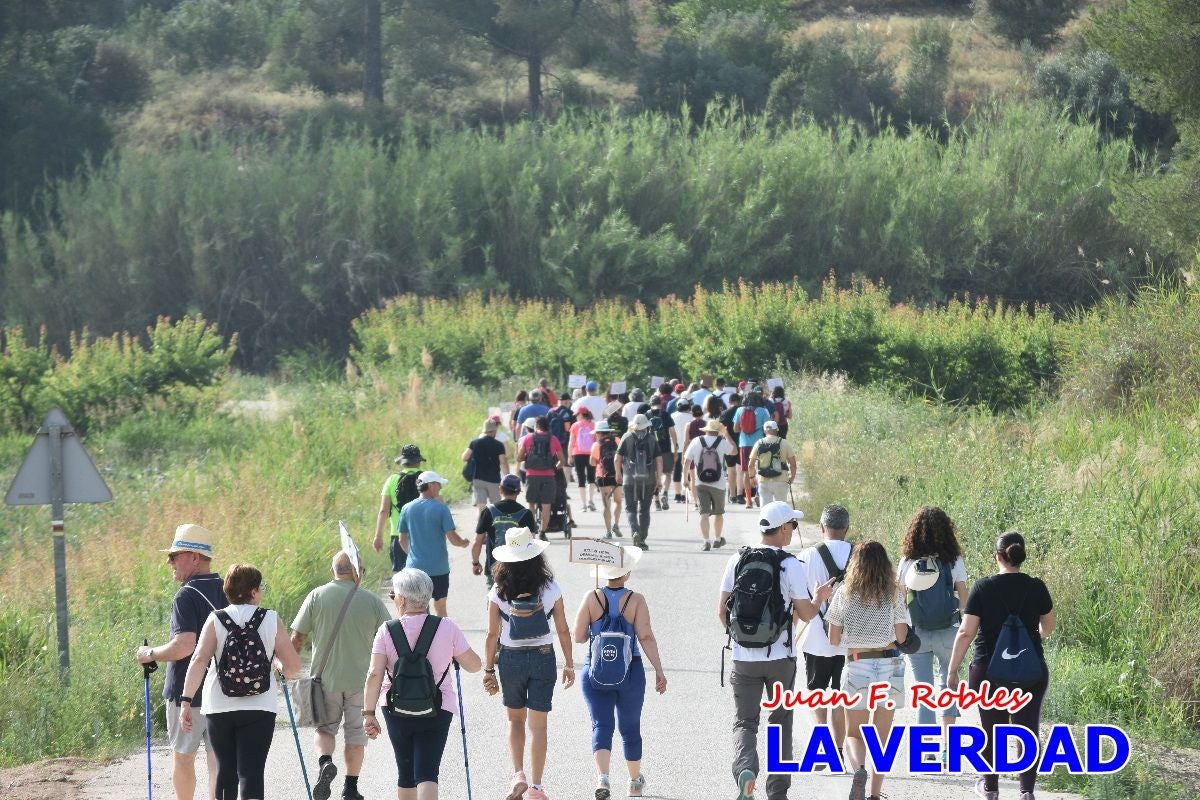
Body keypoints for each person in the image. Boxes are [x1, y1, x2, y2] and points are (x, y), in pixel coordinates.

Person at [718, 501, 830, 800]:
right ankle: (777, 793)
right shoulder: (790, 565)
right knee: (781, 722)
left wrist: (744, 637)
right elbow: (806, 614)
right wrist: (819, 598)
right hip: (781, 659)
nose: (793, 531)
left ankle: (746, 770)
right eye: (792, 526)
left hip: (743, 660)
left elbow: (721, 611)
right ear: (782, 528)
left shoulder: (737, 559)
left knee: (745, 722)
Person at [178, 564, 302, 800]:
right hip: (260, 707)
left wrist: (186, 700)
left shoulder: (216, 619)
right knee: (251, 773)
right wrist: (278, 667)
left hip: (219, 706)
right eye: (261, 588)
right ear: (254, 592)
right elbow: (293, 666)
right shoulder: (271, 618)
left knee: (226, 771)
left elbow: (199, 659)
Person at [946, 531, 1055, 800]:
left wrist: (952, 670)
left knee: (990, 731)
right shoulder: (1036, 586)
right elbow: (1048, 627)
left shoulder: (983, 587)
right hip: (1031, 672)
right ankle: (1026, 792)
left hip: (988, 672)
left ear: (997, 556)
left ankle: (991, 789)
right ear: (1020, 556)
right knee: (1027, 730)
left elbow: (966, 632)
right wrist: (1028, 640)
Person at [363, 568, 483, 800]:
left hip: (396, 708)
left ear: (403, 598)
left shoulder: (387, 631)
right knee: (428, 772)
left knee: (406, 773)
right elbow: (473, 665)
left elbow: (374, 674)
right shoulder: (447, 627)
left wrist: (369, 713)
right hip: (437, 707)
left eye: (394, 594)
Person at [289, 552, 393, 800]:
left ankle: (325, 763)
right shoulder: (372, 601)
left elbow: (297, 638)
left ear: (332, 570)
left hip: (325, 680)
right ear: (357, 571)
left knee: (325, 730)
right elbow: (389, 640)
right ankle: (351, 788)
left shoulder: (316, 596)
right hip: (362, 681)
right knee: (356, 735)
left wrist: (287, 666)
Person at [136, 524, 229, 800]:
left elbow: (184, 645)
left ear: (195, 558)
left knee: (184, 758)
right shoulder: (228, 589)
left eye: (175, 555)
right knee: (218, 762)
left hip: (186, 694)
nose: (169, 562)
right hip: (223, 691)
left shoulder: (186, 595)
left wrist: (150, 654)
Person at [483, 528, 576, 800]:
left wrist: (489, 669)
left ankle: (518, 774)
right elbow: (562, 629)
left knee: (514, 720)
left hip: (510, 659)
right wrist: (569, 663)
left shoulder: (498, 591)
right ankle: (536, 787)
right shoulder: (550, 588)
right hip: (543, 656)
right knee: (539, 725)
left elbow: (492, 635)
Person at [572, 547, 668, 800]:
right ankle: (634, 782)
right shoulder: (635, 600)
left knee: (601, 725)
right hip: (631, 671)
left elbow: (578, 636)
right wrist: (659, 670)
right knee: (630, 727)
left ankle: (603, 778)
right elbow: (645, 635)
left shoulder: (591, 597)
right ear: (627, 573)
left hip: (596, 670)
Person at [825, 541, 910, 800]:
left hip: (858, 664)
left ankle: (859, 771)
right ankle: (874, 794)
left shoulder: (844, 592)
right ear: (885, 564)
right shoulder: (894, 592)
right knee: (881, 740)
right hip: (889, 664)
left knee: (853, 734)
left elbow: (833, 639)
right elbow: (901, 635)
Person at [896, 506, 969, 761]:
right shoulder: (953, 560)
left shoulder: (907, 561)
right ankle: (949, 748)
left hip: (917, 634)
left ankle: (926, 753)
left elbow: (899, 599)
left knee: (923, 689)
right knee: (948, 685)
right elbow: (963, 599)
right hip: (949, 631)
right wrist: (959, 621)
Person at [797, 505, 853, 767]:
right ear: (847, 529)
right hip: (851, 640)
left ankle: (823, 748)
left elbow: (796, 598)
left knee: (817, 693)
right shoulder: (859, 555)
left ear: (821, 527)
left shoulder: (806, 555)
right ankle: (839, 750)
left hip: (817, 639)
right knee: (840, 695)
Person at [396, 471, 471, 618]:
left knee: (417, 609)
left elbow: (401, 539)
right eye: (438, 485)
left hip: (415, 569)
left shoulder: (407, 508)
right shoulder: (441, 508)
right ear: (430, 485)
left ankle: (422, 638)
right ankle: (442, 637)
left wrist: (412, 556)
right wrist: (464, 543)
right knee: (440, 608)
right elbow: (453, 539)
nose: (440, 488)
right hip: (439, 569)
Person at [474, 473, 539, 587]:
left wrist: (475, 562)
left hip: (494, 567)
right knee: (517, 603)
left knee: (494, 601)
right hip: (519, 568)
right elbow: (532, 542)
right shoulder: (526, 513)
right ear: (518, 492)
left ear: (500, 489)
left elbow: (478, 541)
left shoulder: (488, 511)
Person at [683, 419, 735, 551]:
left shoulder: (696, 441)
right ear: (717, 431)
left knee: (704, 513)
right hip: (719, 484)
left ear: (706, 430)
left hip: (700, 482)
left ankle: (706, 541)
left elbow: (687, 461)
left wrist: (686, 479)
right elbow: (734, 451)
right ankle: (717, 540)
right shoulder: (721, 442)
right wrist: (726, 434)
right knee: (718, 513)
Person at [374, 445, 426, 572]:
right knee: (425, 576)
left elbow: (384, 510)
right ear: (419, 462)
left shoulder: (392, 480)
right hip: (423, 534)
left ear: (403, 463)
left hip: (398, 536)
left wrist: (378, 536)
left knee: (401, 580)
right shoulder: (427, 478)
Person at [614, 414, 662, 551]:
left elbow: (617, 458)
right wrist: (659, 479)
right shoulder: (652, 439)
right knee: (645, 510)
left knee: (631, 509)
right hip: (648, 480)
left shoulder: (627, 437)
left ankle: (635, 532)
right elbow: (659, 460)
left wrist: (618, 473)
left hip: (630, 479)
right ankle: (642, 537)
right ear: (647, 426)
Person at [518, 415, 566, 538]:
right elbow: (562, 461)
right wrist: (554, 468)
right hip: (549, 476)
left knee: (531, 504)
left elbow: (519, 458)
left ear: (536, 426)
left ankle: (531, 530)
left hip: (531, 475)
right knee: (546, 505)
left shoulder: (528, 438)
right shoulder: (553, 439)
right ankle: (543, 532)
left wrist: (528, 458)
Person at [732, 387, 771, 508]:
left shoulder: (739, 410)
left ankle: (748, 500)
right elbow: (768, 430)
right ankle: (758, 494)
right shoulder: (763, 411)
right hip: (759, 443)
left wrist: (745, 428)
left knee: (745, 472)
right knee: (760, 470)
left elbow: (735, 429)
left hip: (744, 444)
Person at [745, 420, 798, 506]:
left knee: (765, 510)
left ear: (765, 430)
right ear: (777, 429)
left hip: (763, 480)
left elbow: (751, 464)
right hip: (781, 480)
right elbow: (793, 464)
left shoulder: (759, 443)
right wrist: (792, 477)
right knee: (781, 509)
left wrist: (752, 477)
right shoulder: (784, 443)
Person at [463, 419, 510, 511]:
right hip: (493, 479)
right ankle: (494, 525)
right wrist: (507, 477)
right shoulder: (498, 445)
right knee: (496, 507)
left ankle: (481, 524)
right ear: (494, 431)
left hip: (478, 479)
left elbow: (465, 457)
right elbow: (503, 462)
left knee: (481, 507)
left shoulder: (474, 443)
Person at [590, 420, 624, 538]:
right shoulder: (617, 440)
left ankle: (608, 532)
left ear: (599, 433)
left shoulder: (596, 445)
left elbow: (592, 462)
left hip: (603, 476)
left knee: (606, 505)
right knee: (618, 501)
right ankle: (616, 524)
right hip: (617, 474)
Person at [647, 395, 676, 510]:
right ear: (661, 403)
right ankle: (665, 492)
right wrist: (675, 445)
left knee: (654, 475)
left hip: (651, 449)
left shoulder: (646, 415)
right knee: (667, 473)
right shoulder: (665, 414)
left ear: (650, 403)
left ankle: (657, 501)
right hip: (665, 448)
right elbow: (672, 431)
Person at [567, 408, 598, 512]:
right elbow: (596, 441)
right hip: (591, 454)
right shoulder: (593, 425)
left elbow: (571, 442)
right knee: (591, 478)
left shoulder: (575, 425)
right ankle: (590, 501)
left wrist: (569, 456)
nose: (576, 416)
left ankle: (584, 505)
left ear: (582, 414)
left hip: (578, 454)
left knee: (581, 479)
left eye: (577, 414)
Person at [718, 394, 744, 505]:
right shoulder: (743, 412)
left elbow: (721, 430)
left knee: (731, 470)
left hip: (728, 443)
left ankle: (732, 495)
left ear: (730, 402)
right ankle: (740, 495)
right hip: (742, 442)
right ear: (740, 401)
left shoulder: (724, 413)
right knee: (741, 470)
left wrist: (728, 439)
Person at [670, 397, 693, 503]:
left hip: (675, 447)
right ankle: (685, 494)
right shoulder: (691, 417)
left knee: (677, 471)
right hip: (689, 446)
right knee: (687, 470)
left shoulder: (672, 416)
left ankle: (677, 494)